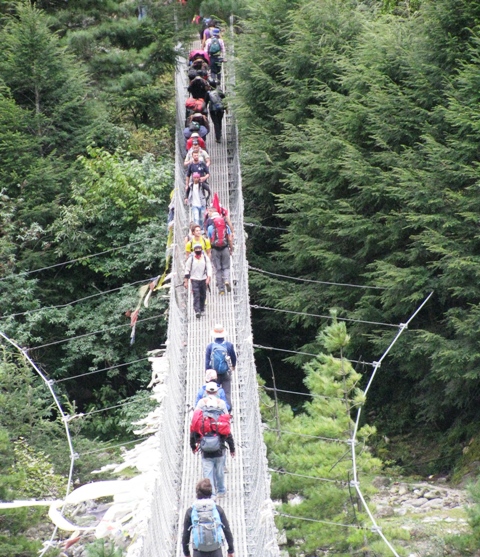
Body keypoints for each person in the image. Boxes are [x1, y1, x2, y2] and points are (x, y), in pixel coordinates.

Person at [191, 385, 234, 497]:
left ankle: (211, 494)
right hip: (220, 445)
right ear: (217, 391)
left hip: (205, 447)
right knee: (220, 471)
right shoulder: (222, 404)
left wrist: (193, 445)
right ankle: (221, 490)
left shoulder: (200, 404)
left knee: (208, 472)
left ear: (206, 391)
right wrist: (232, 448)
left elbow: (194, 425)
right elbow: (227, 428)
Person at [181, 478, 234, 557]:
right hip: (216, 551)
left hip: (198, 551)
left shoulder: (191, 511)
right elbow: (227, 531)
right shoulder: (217, 509)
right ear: (210, 493)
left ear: (197, 493)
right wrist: (230, 550)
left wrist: (187, 553)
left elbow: (186, 535)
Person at [205, 324, 237, 410]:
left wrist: (208, 373)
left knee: (214, 392)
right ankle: (228, 410)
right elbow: (233, 357)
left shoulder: (210, 346)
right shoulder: (229, 345)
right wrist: (233, 366)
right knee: (226, 392)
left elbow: (207, 362)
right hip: (225, 372)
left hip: (214, 374)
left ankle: (215, 408)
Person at [207, 211, 233, 295]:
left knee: (218, 269)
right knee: (226, 267)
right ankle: (226, 280)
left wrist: (209, 252)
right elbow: (229, 238)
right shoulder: (225, 226)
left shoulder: (210, 228)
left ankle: (221, 289)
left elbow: (209, 240)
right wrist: (231, 248)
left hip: (215, 250)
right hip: (225, 248)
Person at [184, 244, 212, 318]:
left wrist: (208, 278)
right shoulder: (191, 259)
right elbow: (187, 269)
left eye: (199, 248)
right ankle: (197, 311)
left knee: (203, 295)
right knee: (196, 295)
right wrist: (186, 281)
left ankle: (202, 308)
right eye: (196, 249)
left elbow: (209, 268)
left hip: (203, 278)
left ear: (202, 249)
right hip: (194, 279)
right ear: (194, 250)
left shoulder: (205, 258)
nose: (198, 250)